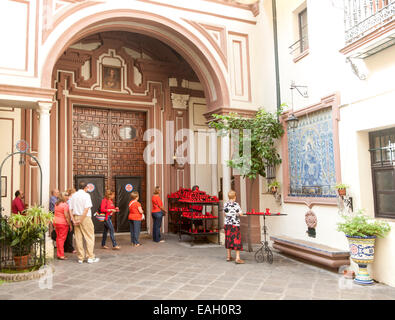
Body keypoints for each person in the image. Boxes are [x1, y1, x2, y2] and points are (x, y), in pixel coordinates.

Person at [69, 182, 99, 264]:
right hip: (85, 217)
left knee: (78, 238)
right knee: (89, 236)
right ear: (85, 187)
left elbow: (70, 209)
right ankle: (90, 257)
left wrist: (73, 220)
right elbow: (86, 209)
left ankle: (80, 258)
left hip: (75, 216)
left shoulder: (73, 196)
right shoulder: (86, 195)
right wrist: (81, 219)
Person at [223, 190, 245, 264]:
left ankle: (228, 256)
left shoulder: (225, 204)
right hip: (235, 225)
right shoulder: (236, 204)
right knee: (236, 240)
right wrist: (240, 214)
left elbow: (224, 214)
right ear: (235, 197)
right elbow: (240, 214)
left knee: (228, 239)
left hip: (227, 225)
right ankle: (237, 258)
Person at [53, 192, 73, 260]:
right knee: (61, 239)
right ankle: (61, 255)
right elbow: (66, 216)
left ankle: (59, 254)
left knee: (58, 238)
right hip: (63, 223)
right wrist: (70, 224)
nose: (68, 197)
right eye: (66, 195)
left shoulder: (56, 204)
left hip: (56, 222)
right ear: (64, 197)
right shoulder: (65, 205)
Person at [64, 188, 76, 254]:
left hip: (68, 218)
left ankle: (66, 248)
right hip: (70, 218)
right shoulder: (71, 199)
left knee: (68, 233)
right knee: (70, 234)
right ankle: (70, 248)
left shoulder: (68, 199)